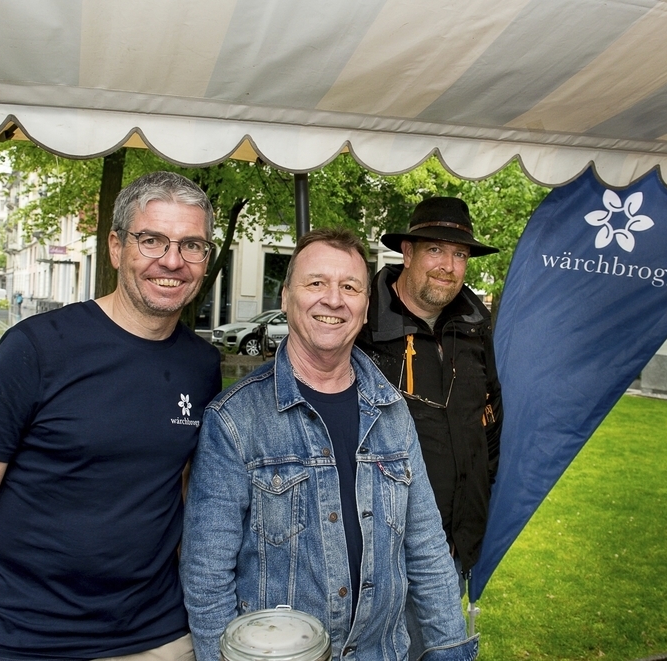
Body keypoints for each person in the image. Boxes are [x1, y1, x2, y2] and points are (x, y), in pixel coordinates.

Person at [0, 171, 223, 661]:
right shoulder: (36, 348)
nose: (172, 260)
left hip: (157, 639)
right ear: (116, 247)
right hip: (23, 641)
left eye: (192, 245)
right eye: (152, 240)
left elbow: (182, 494)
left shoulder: (201, 366)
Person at [180, 228, 478, 661]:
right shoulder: (235, 420)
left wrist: (450, 647)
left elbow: (427, 546)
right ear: (286, 297)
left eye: (350, 287)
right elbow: (206, 574)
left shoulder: (392, 409)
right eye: (316, 283)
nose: (334, 299)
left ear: (365, 305)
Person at [356, 197, 501, 633]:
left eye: (459, 255)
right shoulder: (362, 326)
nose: (449, 266)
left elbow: (490, 425)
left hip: (450, 557)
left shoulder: (475, 329)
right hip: (375, 558)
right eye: (436, 250)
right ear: (407, 252)